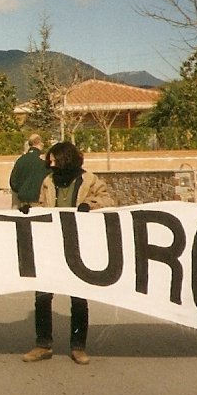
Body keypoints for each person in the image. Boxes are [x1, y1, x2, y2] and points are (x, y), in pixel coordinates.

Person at [22, 141, 115, 366]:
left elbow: (109, 200)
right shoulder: (48, 181)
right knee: (42, 297)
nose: (51, 165)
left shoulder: (89, 180)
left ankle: (78, 347)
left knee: (79, 298)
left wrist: (89, 205)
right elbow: (44, 207)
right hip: (51, 245)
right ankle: (43, 344)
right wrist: (29, 209)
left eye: (54, 161)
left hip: (79, 246)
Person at [9, 133, 48, 209]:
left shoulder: (21, 160)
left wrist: (21, 191)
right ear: (40, 143)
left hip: (23, 201)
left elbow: (13, 182)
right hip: (38, 200)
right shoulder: (43, 161)